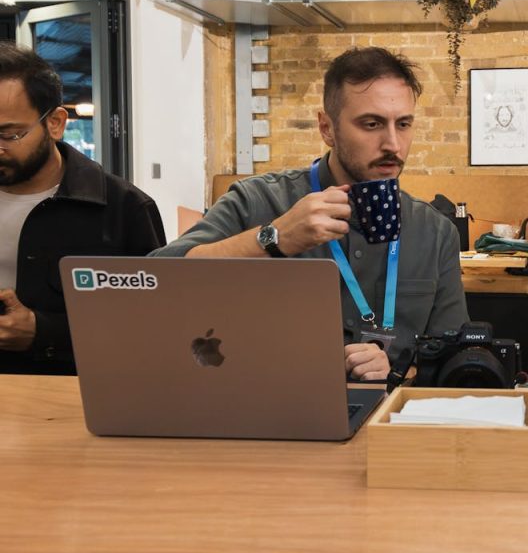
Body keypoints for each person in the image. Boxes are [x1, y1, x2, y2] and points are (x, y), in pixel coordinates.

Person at [153, 46, 469, 381]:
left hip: (387, 418)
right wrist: (274, 238)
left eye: (403, 124)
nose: (393, 144)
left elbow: (454, 359)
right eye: (372, 123)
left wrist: (398, 372)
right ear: (326, 128)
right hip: (270, 410)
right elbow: (157, 282)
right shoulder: (258, 201)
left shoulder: (434, 232)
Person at [0, 42, 166, 375]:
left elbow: (157, 326)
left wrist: (41, 331)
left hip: (73, 400)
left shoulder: (124, 210)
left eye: (9, 134)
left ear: (56, 123)